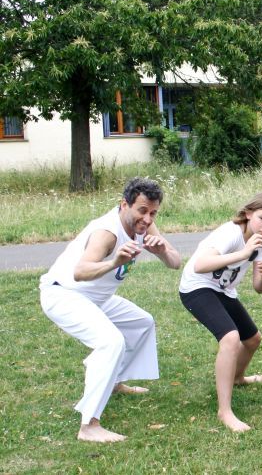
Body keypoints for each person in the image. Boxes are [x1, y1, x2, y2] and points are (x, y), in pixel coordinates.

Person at [39, 177, 181, 443]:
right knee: (110, 342)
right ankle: (89, 426)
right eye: (142, 211)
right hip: (64, 294)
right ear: (124, 205)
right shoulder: (108, 232)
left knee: (142, 323)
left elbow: (175, 262)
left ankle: (114, 382)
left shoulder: (145, 224)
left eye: (153, 213)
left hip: (97, 297)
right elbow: (80, 272)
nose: (148, 219)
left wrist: (162, 251)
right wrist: (115, 261)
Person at [178, 192, 262, 432]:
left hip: (223, 291)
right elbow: (200, 265)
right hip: (197, 286)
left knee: (253, 339)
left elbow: (259, 289)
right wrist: (244, 253)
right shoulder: (231, 233)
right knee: (231, 338)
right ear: (248, 214)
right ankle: (225, 411)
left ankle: (238, 377)